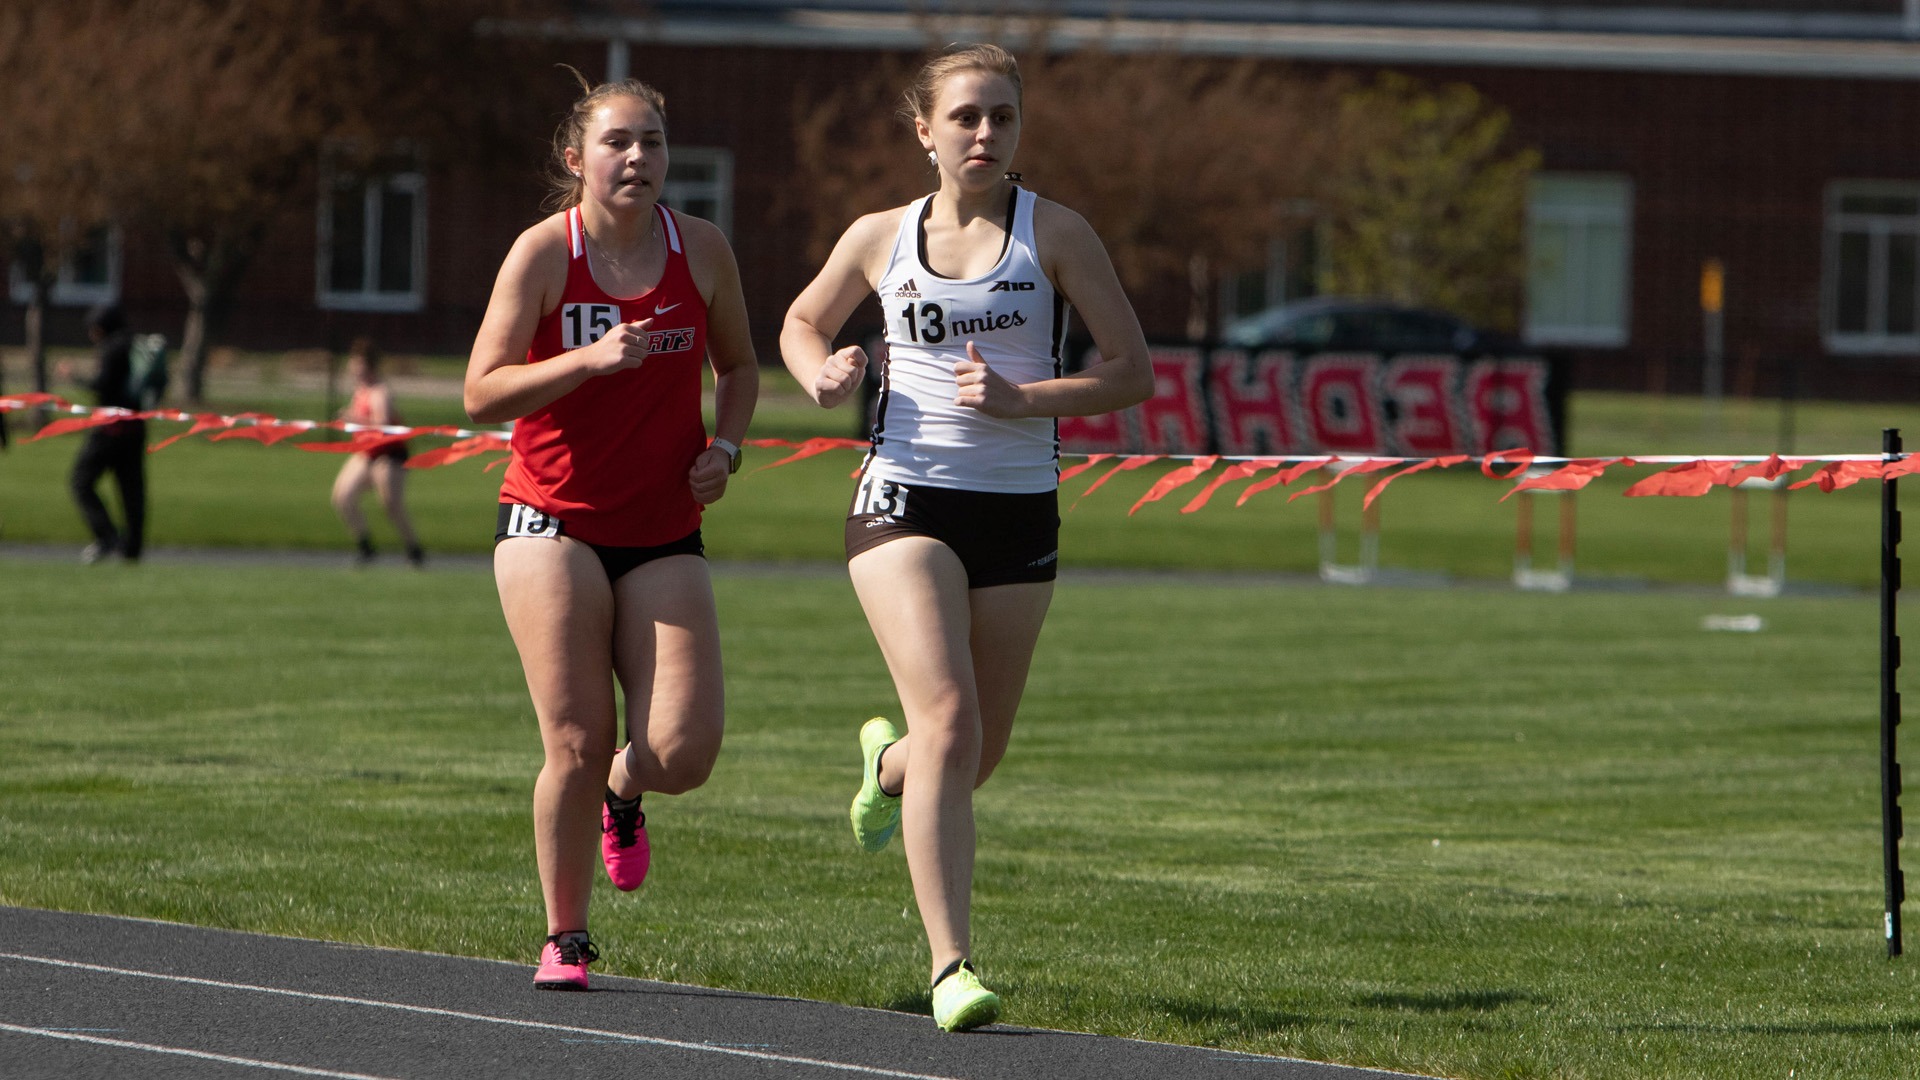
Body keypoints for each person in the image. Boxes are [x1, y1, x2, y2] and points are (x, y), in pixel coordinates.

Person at [779, 43, 1152, 1032]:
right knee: (949, 716)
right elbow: (801, 322)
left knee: (969, 753)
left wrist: (1027, 398)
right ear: (925, 130)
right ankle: (953, 967)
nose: (984, 134)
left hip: (1019, 508)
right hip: (902, 500)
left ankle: (884, 769)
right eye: (965, 117)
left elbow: (1130, 371)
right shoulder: (878, 236)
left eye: (1002, 118)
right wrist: (820, 371)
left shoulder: (1056, 234)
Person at [463, 71, 758, 991]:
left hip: (663, 525)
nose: (639, 159)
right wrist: (585, 359)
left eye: (654, 144)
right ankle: (565, 936)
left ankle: (624, 796)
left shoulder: (701, 249)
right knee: (577, 740)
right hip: (549, 518)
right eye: (619, 142)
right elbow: (480, 392)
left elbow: (740, 365)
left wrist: (730, 446)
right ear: (575, 157)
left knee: (684, 753)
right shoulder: (546, 253)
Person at [330, 338, 425, 567]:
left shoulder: (380, 391)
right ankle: (365, 546)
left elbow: (381, 424)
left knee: (390, 503)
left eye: (358, 363)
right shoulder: (360, 390)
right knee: (343, 495)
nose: (353, 368)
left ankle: (413, 548)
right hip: (367, 452)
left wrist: (355, 419)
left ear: (367, 364)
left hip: (388, 453)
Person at [66, 303, 147, 564]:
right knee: (131, 489)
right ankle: (132, 548)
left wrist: (74, 377)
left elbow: (104, 386)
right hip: (136, 428)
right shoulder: (134, 345)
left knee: (81, 480)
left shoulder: (112, 348)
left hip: (111, 429)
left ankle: (107, 536)